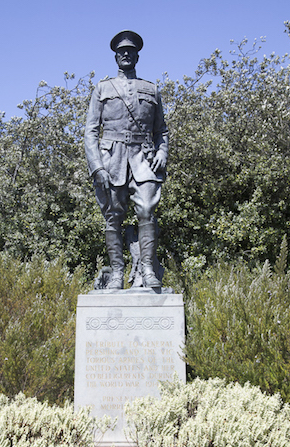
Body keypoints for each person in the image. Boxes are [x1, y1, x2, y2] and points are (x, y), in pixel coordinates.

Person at [84, 30, 168, 289]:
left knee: (146, 210)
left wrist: (162, 152)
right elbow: (90, 131)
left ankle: (146, 269)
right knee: (113, 216)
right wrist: (96, 166)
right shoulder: (103, 89)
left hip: (144, 158)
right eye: (121, 51)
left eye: (130, 51)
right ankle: (118, 273)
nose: (126, 54)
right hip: (112, 160)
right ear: (116, 57)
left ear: (137, 55)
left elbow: (161, 131)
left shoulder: (151, 89)